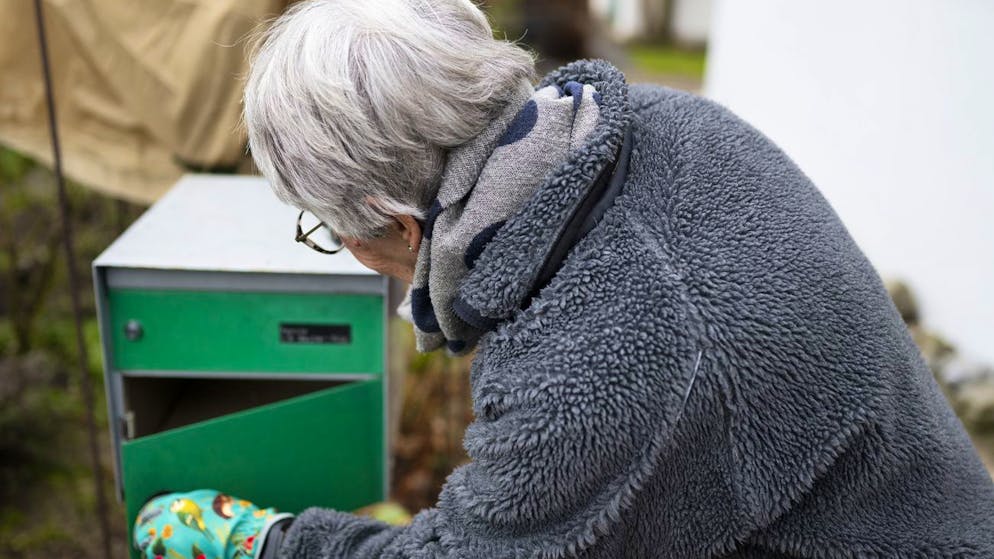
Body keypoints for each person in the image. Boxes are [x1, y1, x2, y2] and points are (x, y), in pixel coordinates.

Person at [135, 0, 994, 557]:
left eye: (332, 232)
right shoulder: (658, 121)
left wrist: (269, 539)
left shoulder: (597, 361)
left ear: (397, 224)